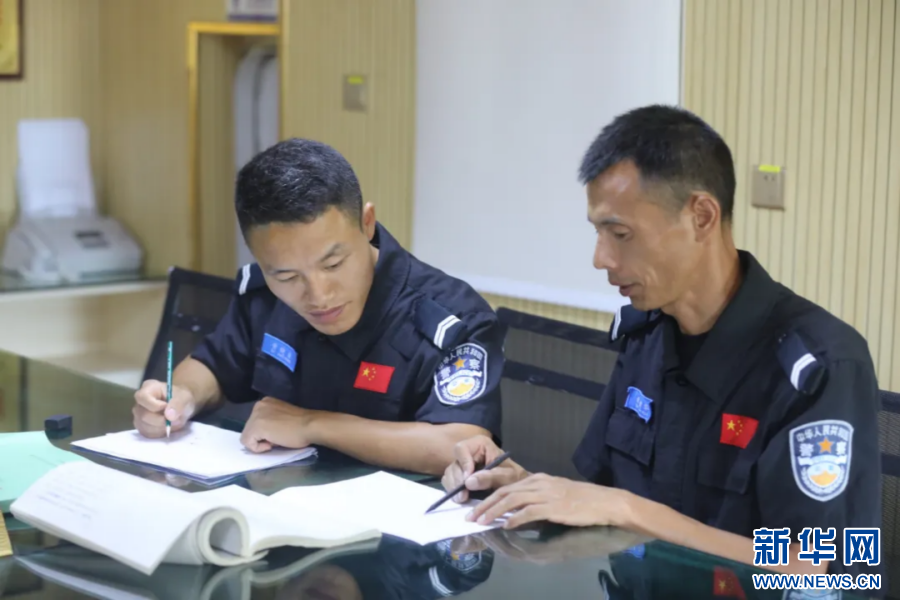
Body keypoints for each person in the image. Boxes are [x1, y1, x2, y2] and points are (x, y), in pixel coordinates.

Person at [439, 105, 882, 578]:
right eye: (598, 232)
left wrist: (630, 511)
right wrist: (519, 487)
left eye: (621, 234)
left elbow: (819, 564)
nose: (600, 258)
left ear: (701, 217)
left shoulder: (818, 365)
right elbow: (603, 502)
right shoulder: (646, 333)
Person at [132, 138, 504, 476]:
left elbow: (461, 445)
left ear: (367, 223)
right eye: (287, 276)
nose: (318, 295)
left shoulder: (452, 318)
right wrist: (181, 397)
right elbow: (213, 364)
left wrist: (311, 424)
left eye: (333, 264)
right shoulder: (263, 295)